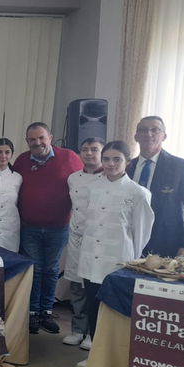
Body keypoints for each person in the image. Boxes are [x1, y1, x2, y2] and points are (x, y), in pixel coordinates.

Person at [75, 140, 154, 367]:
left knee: (115, 311)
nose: (110, 164)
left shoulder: (138, 193)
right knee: (93, 306)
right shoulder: (92, 187)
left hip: (118, 260)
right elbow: (84, 222)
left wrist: (131, 262)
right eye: (107, 159)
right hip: (91, 257)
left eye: (116, 159)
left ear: (127, 162)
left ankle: (116, 360)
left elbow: (141, 233)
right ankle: (95, 357)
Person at [13, 122, 82, 334]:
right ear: (27, 142)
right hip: (29, 227)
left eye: (41, 138)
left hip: (58, 227)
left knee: (51, 270)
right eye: (32, 139)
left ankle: (46, 311)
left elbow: (87, 178)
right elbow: (8, 181)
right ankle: (33, 313)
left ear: (50, 137)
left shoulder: (70, 157)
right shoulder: (22, 161)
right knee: (35, 270)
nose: (37, 143)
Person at [128, 116, 184, 258]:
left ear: (164, 136)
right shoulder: (126, 167)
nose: (148, 134)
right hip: (129, 243)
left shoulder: (180, 167)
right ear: (136, 136)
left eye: (155, 130)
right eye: (143, 130)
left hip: (167, 246)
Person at [61, 137, 104, 350]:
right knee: (77, 287)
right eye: (85, 149)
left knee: (94, 287)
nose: (89, 153)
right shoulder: (73, 178)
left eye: (94, 149)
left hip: (97, 241)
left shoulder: (108, 179)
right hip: (77, 238)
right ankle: (78, 329)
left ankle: (92, 333)